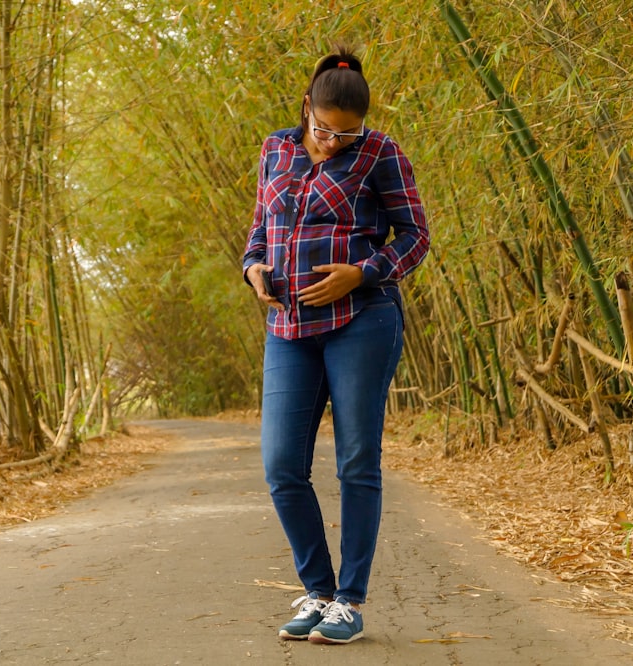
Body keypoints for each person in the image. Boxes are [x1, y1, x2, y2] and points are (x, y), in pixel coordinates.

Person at [242, 46, 429, 645]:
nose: (332, 143)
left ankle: (349, 601)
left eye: (347, 135)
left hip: (362, 320)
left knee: (355, 461)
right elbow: (258, 232)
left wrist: (366, 271)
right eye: (324, 130)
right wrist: (252, 268)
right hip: (288, 328)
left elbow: (416, 237)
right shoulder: (275, 148)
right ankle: (318, 591)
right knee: (280, 466)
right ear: (306, 109)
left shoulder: (382, 154)